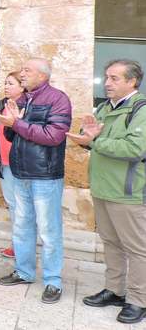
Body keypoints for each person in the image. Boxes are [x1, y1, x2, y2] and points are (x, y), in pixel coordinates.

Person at [67, 59, 146, 324]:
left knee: (137, 249)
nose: (107, 82)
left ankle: (138, 300)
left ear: (132, 81)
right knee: (111, 243)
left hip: (129, 192)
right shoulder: (104, 107)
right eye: (106, 77)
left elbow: (136, 149)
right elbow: (92, 139)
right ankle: (114, 290)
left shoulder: (141, 109)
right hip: (102, 188)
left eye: (114, 78)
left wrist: (96, 140)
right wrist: (86, 139)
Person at [0, 58, 71, 304]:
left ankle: (52, 281)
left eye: (27, 70)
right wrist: (11, 124)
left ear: (42, 75)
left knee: (49, 230)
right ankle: (24, 271)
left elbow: (53, 136)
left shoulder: (57, 99)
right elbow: (12, 133)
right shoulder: (22, 100)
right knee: (21, 225)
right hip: (20, 172)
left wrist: (17, 123)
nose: (23, 74)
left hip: (45, 175)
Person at [0, 71, 24, 259]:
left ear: (22, 86)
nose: (6, 86)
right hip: (4, 162)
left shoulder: (26, 106)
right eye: (6, 83)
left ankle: (21, 246)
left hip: (20, 163)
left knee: (21, 206)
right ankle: (17, 245)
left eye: (11, 83)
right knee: (12, 204)